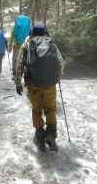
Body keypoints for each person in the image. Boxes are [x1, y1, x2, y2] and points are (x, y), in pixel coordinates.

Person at [14, 22, 64, 151]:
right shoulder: (51, 43)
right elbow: (61, 62)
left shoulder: (27, 44)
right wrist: (57, 77)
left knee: (36, 110)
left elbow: (19, 64)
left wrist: (18, 82)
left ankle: (40, 136)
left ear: (32, 32)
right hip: (50, 84)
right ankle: (51, 134)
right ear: (45, 32)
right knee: (50, 109)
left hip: (33, 84)